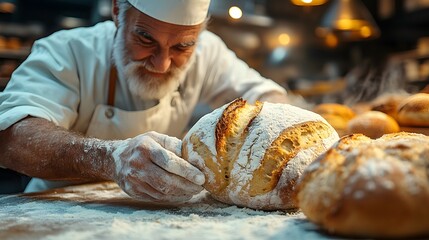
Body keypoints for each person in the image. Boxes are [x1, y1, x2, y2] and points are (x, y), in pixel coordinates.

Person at [0, 0, 289, 203]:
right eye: (145, 38)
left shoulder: (208, 53)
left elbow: (270, 99)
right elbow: (12, 137)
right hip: (55, 217)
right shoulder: (68, 52)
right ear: (117, 10)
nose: (162, 64)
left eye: (182, 46)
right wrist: (109, 158)